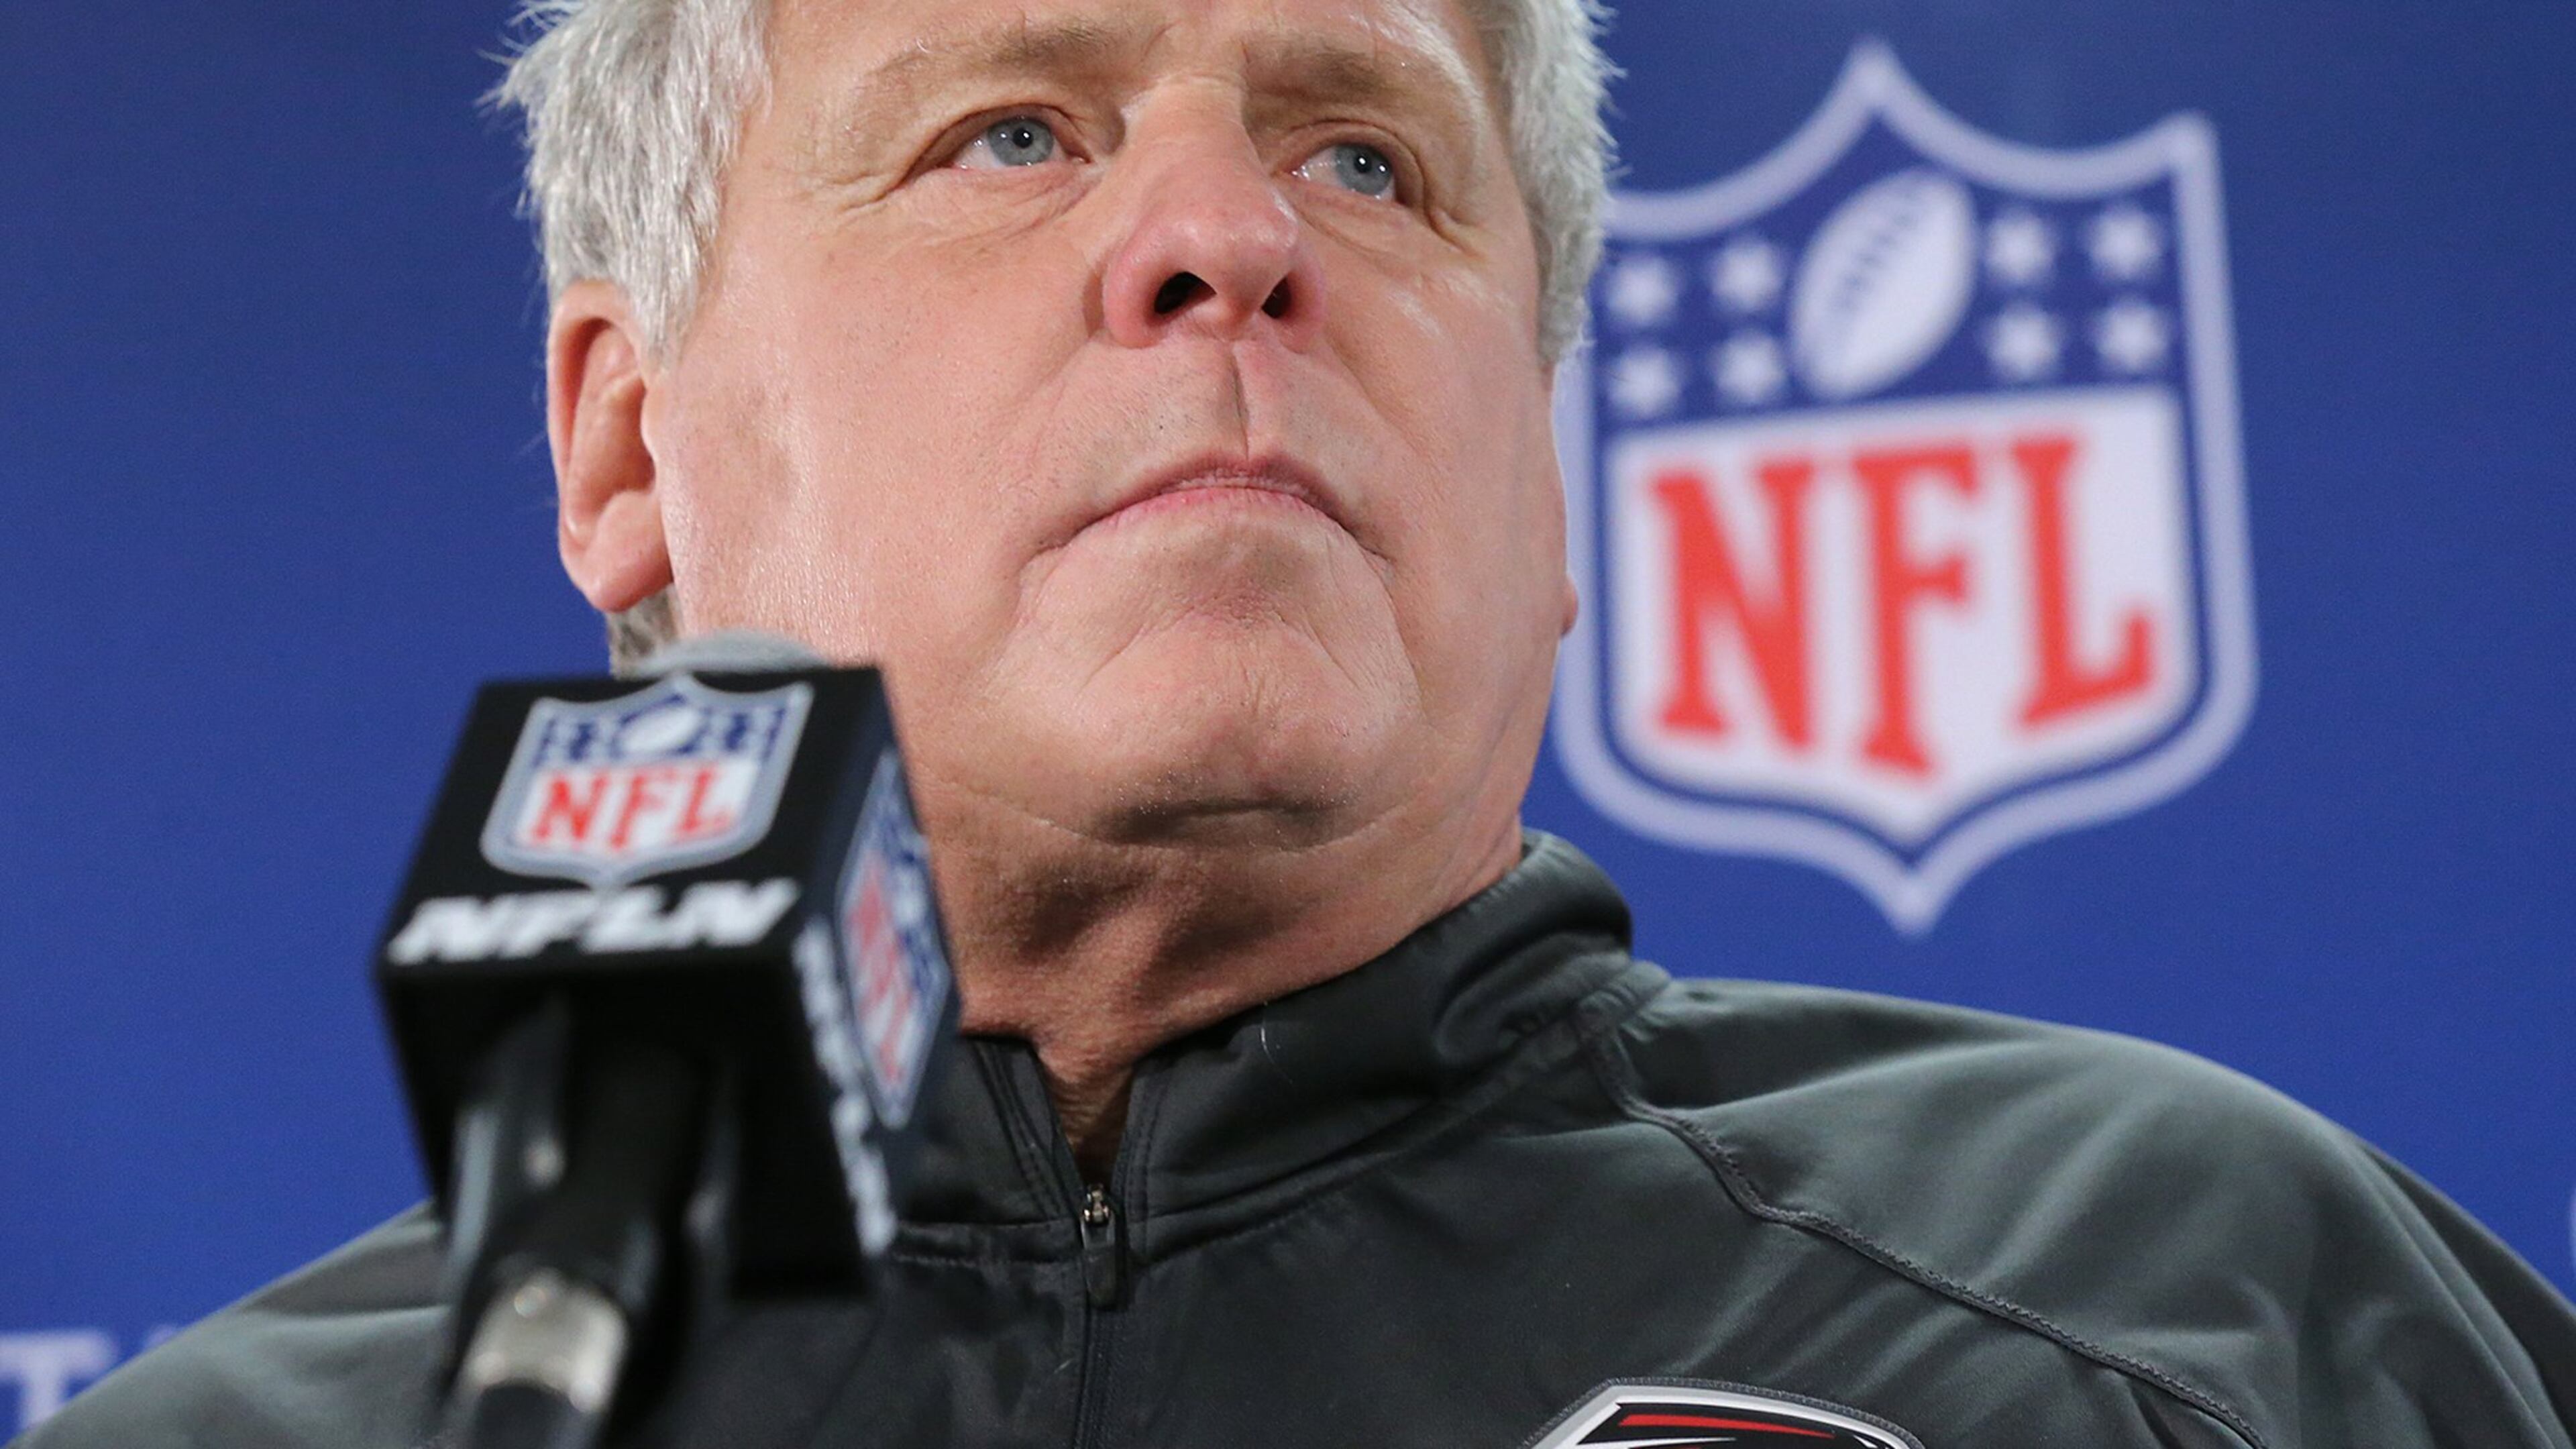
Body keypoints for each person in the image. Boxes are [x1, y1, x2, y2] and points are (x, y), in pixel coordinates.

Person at [18, 0, 2576, 1443]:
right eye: (1015, 130)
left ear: (1548, 485)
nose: (1228, 237)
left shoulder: (2219, 1311)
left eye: (1367, 162)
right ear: (624, 442)